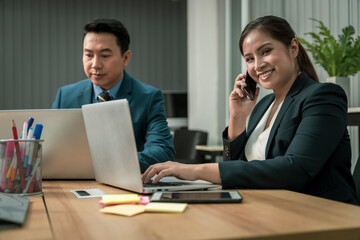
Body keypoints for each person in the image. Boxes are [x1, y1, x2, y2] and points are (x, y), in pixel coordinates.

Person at [143, 15, 360, 205]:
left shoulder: (323, 96)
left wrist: (196, 170)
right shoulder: (263, 106)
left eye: (265, 51)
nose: (257, 65)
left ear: (293, 48)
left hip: (321, 212)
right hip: (268, 207)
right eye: (249, 59)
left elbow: (296, 168)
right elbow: (237, 171)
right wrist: (237, 117)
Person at [52, 19, 175, 172]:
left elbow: (162, 151)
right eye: (89, 55)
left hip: (124, 185)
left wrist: (108, 163)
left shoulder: (148, 97)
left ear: (125, 58)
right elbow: (52, 148)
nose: (95, 64)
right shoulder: (66, 96)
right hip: (74, 183)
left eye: (105, 56)